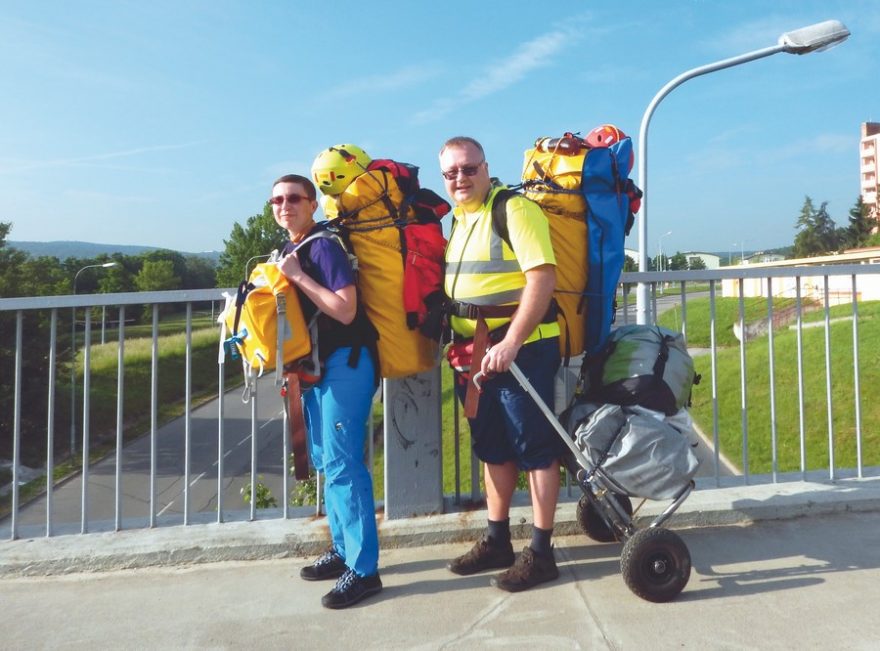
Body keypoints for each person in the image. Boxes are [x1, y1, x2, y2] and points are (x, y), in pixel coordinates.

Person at [440, 137, 566, 592]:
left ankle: (542, 552)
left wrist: (512, 341)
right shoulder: (459, 220)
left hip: (523, 349)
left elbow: (542, 278)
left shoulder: (513, 210)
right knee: (492, 445)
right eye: (451, 172)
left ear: (486, 167)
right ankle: (497, 540)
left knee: (534, 448)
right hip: (474, 353)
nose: (460, 178)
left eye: (468, 168)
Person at [271, 173, 381, 609]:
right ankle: (342, 550)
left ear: (312, 203)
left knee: (344, 465)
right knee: (326, 461)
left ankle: (364, 570)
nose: (285, 205)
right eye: (277, 200)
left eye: (294, 198)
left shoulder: (322, 247)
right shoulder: (290, 249)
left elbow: (345, 307)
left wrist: (297, 276)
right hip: (312, 369)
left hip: (345, 365)